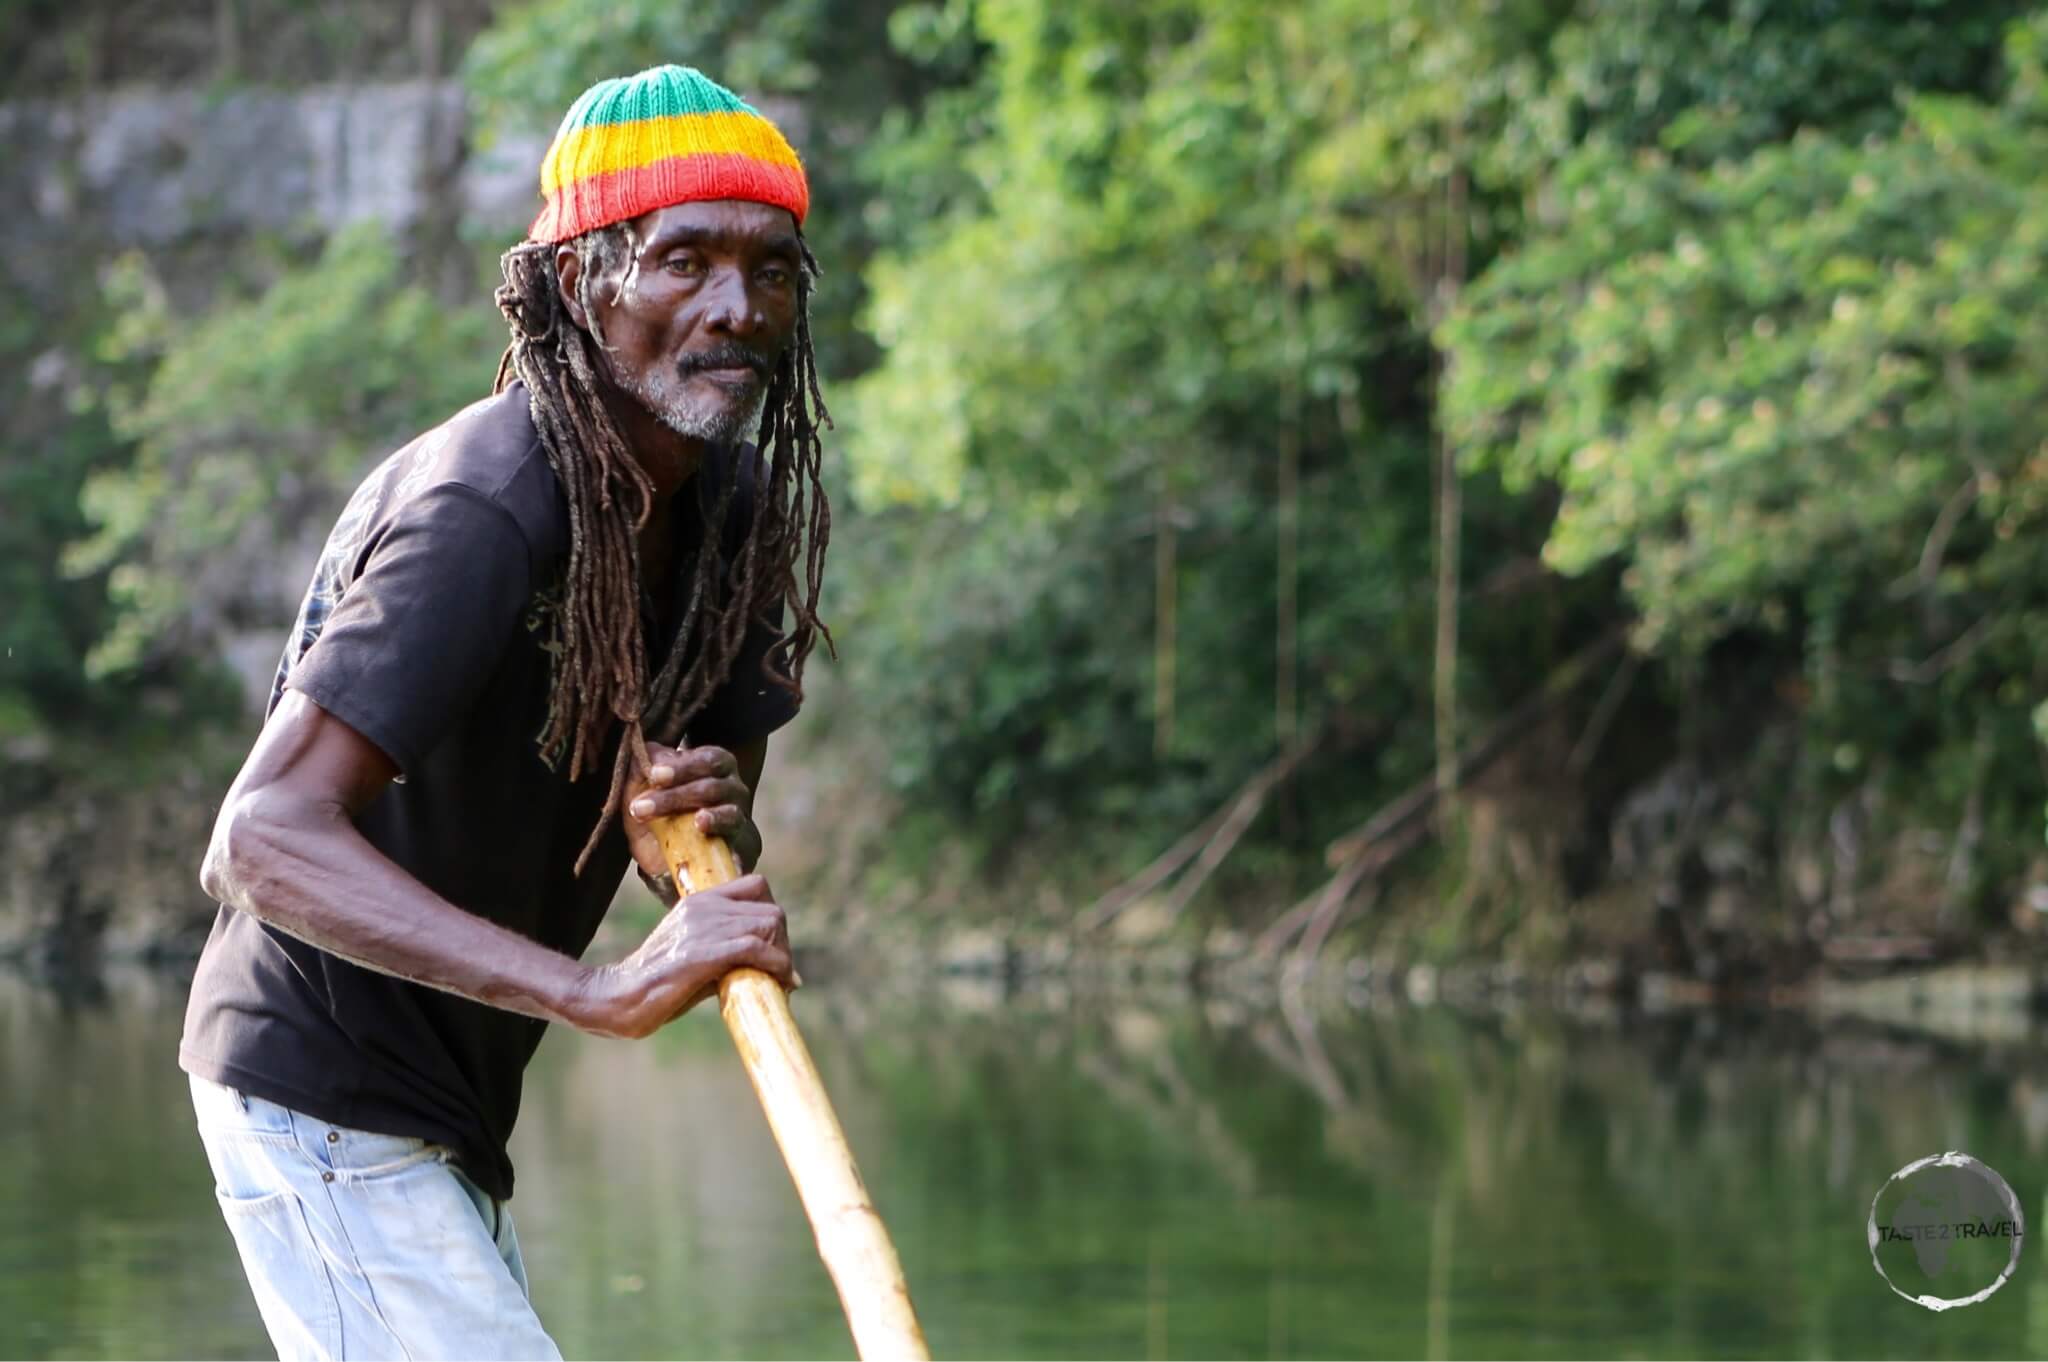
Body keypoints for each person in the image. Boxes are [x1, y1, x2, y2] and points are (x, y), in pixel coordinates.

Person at [179, 65, 829, 1361]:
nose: (733, 306)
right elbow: (257, 840)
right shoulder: (489, 500)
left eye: (771, 269)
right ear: (584, 281)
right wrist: (593, 992)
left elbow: (703, 844)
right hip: (318, 1086)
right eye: (682, 259)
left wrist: (689, 840)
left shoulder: (733, 508)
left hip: (456, 1104)